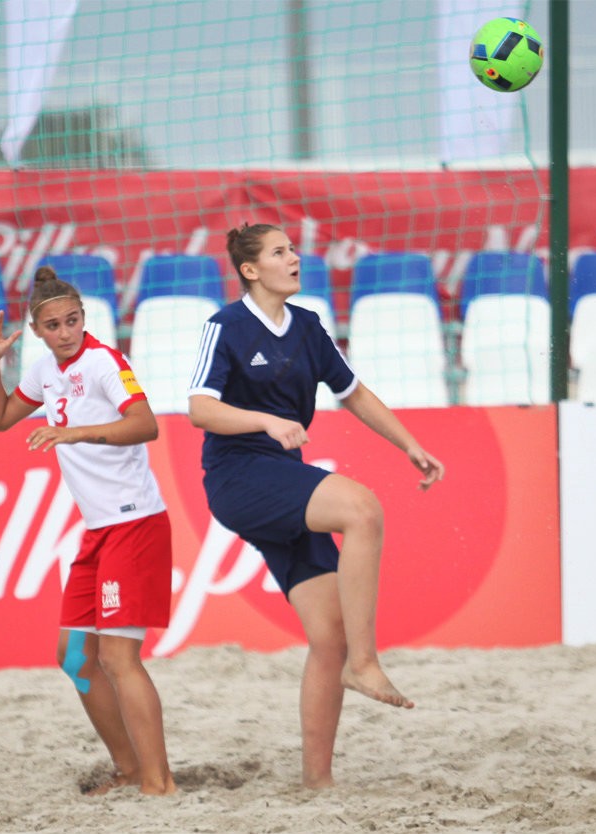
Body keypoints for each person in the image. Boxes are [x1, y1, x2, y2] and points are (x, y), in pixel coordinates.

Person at [187, 223, 445, 789]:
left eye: (294, 249)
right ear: (251, 270)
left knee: (329, 635)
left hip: (284, 475)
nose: (295, 257)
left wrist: (409, 445)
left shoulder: (306, 326)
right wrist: (266, 420)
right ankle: (367, 663)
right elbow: (200, 410)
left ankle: (317, 783)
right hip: (239, 476)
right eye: (280, 251)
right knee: (363, 510)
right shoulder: (225, 327)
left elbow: (352, 391)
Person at [0, 265, 176, 796]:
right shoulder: (44, 368)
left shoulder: (105, 362)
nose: (66, 332)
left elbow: (146, 424)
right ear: (37, 330)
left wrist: (76, 432)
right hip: (99, 530)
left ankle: (159, 782)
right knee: (73, 657)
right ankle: (130, 770)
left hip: (134, 521)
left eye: (74, 321)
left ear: (85, 317)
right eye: (55, 325)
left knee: (116, 657)